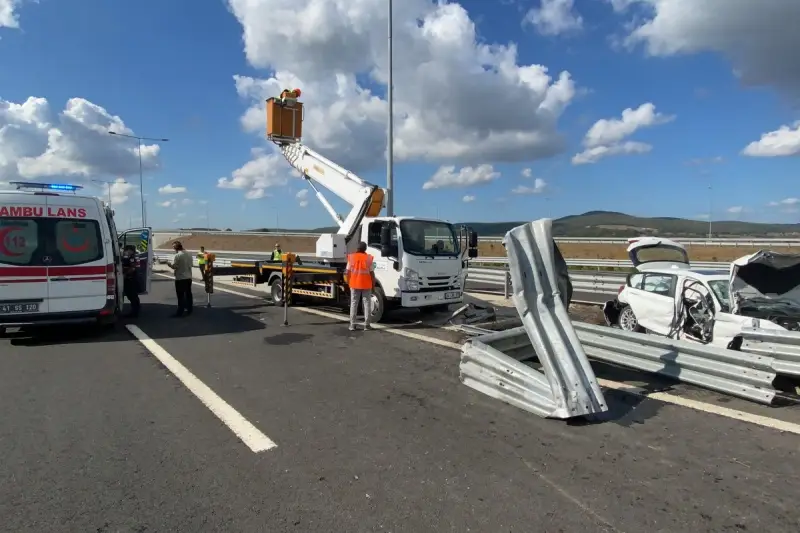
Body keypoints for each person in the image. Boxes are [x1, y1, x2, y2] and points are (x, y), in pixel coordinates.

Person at [345, 241, 376, 331]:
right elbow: (372, 274)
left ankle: (352, 325)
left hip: (354, 284)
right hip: (366, 284)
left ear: (357, 249)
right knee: (367, 304)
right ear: (365, 249)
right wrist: (373, 286)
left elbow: (347, 272)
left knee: (354, 303)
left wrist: (348, 283)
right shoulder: (368, 258)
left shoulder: (351, 257)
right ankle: (367, 325)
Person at [167, 240, 193, 317]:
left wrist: (169, 264)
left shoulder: (177, 255)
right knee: (188, 294)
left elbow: (174, 266)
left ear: (176, 248)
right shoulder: (189, 254)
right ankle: (189, 309)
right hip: (188, 277)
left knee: (180, 296)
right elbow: (191, 264)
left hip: (180, 278)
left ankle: (180, 312)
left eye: (173, 247)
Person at [121, 245, 140, 317]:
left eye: (126, 250)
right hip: (131, 278)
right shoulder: (132, 256)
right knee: (132, 296)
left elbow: (132, 268)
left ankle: (135, 312)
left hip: (131, 279)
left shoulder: (132, 257)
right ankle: (135, 311)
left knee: (132, 295)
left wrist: (125, 274)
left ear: (130, 250)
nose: (125, 252)